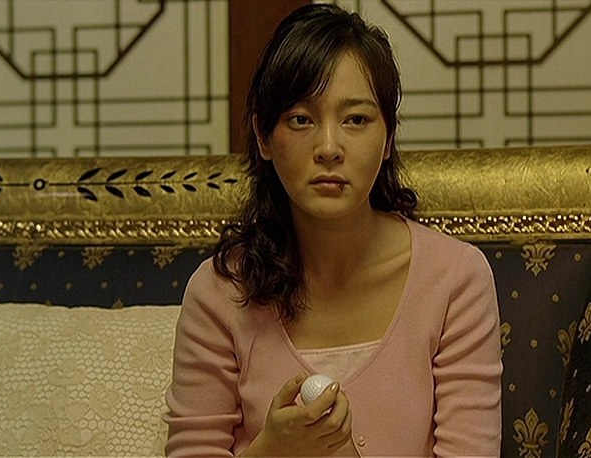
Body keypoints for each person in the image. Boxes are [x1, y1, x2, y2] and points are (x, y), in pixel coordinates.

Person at [164, 3, 501, 456]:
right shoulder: (220, 292)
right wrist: (272, 451)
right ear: (263, 136)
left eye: (356, 120)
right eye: (301, 119)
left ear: (388, 137)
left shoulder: (455, 280)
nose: (328, 147)